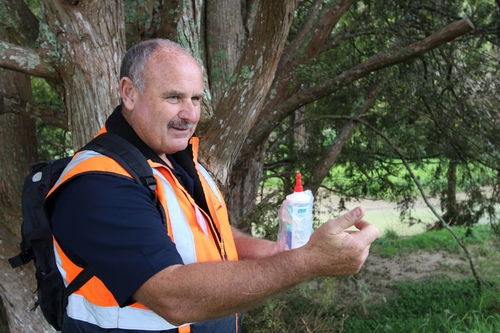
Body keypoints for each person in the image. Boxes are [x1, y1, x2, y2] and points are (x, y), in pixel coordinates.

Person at [48, 38, 380, 333]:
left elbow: (208, 234)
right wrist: (306, 263)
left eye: (196, 98)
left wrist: (275, 252)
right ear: (130, 93)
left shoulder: (177, 157)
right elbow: (171, 297)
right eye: (174, 97)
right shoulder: (98, 182)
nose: (190, 114)